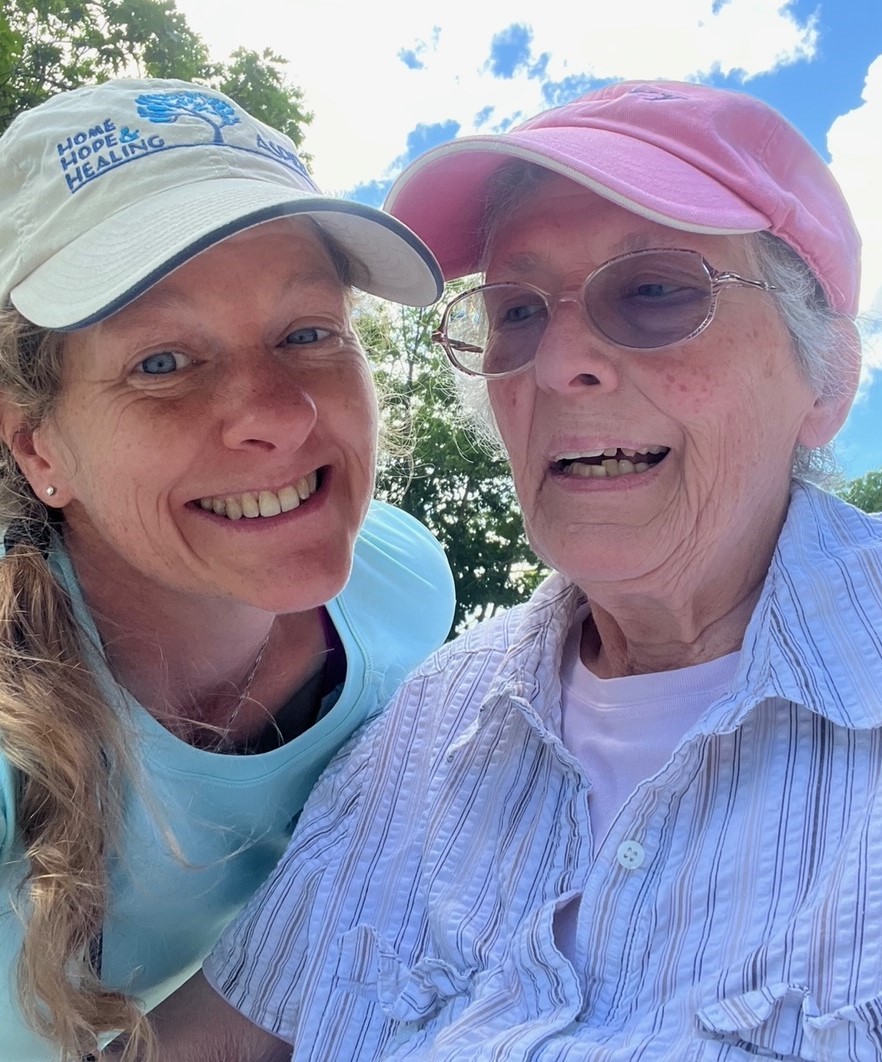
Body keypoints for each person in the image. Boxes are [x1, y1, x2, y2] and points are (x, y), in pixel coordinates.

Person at [149, 81, 882, 1060]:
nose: (557, 362)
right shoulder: (427, 727)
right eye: (518, 311)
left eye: (657, 290)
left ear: (827, 376)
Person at [0, 77, 455, 1061]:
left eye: (308, 333)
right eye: (163, 362)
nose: (280, 415)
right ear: (38, 447)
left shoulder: (408, 583)